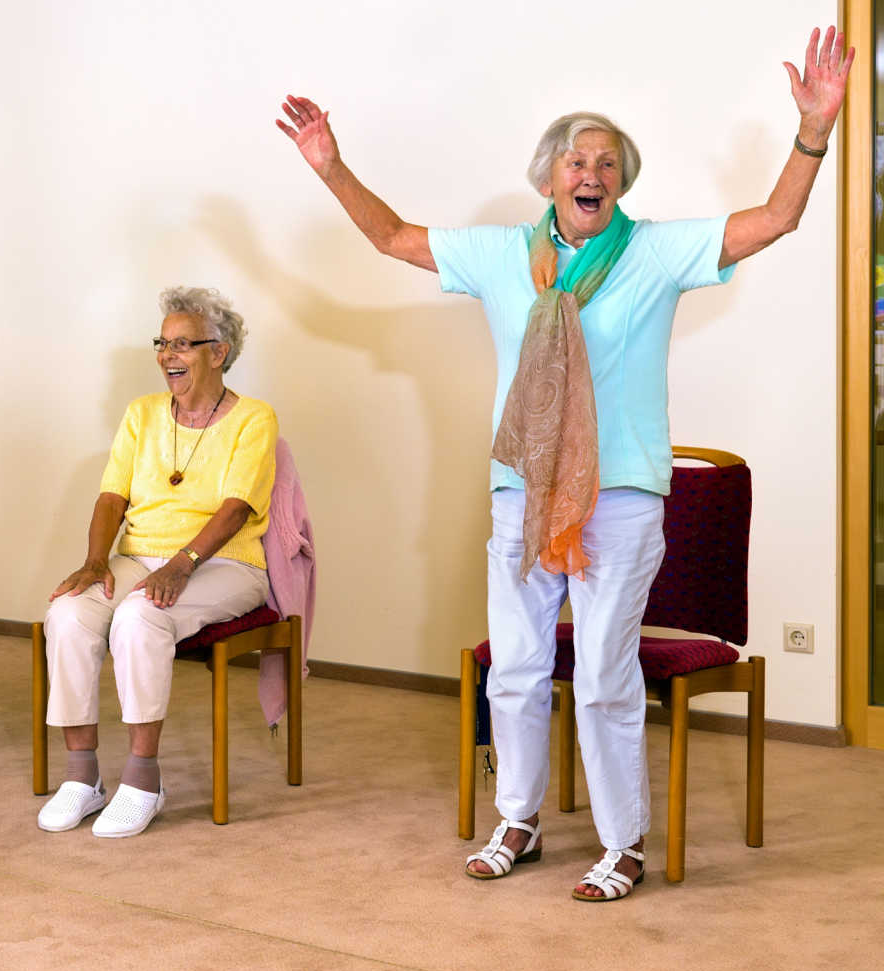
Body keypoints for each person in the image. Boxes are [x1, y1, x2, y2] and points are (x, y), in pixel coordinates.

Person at [278, 26, 851, 899]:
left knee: (602, 675)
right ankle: (520, 818)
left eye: (609, 164)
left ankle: (623, 843)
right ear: (547, 178)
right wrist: (329, 163)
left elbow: (774, 221)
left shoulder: (655, 252)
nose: (593, 173)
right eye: (577, 161)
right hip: (522, 492)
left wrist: (813, 131)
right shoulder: (505, 255)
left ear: (622, 183)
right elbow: (393, 236)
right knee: (512, 666)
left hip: (619, 499)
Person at [40, 287, 277, 838]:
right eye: (162, 343)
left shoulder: (255, 418)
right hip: (138, 556)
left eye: (183, 344)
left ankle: (143, 780)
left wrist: (183, 562)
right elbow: (111, 498)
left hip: (226, 564)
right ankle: (82, 777)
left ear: (217, 352)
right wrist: (95, 560)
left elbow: (237, 507)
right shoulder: (141, 414)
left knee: (140, 615)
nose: (168, 355)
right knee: (71, 611)